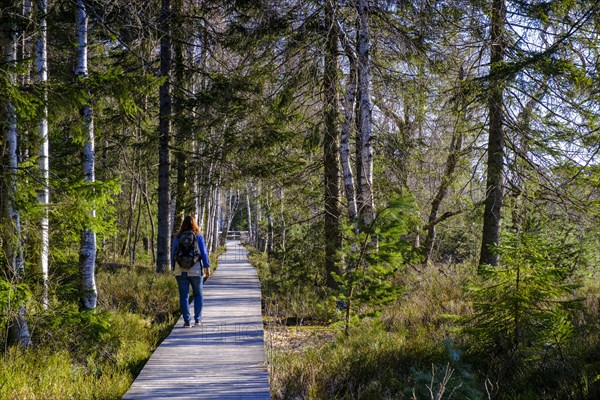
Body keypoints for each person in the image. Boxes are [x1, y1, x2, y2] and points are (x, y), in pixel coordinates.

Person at [171, 215, 211, 328]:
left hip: (180, 270)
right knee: (198, 294)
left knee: (184, 296)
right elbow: (204, 253)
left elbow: (173, 253)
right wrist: (207, 267)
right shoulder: (198, 237)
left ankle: (187, 322)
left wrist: (172, 268)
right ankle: (197, 320)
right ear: (195, 224)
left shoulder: (178, 237)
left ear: (183, 224)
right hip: (196, 270)